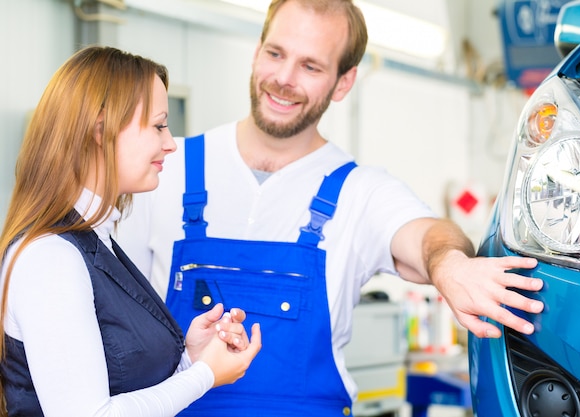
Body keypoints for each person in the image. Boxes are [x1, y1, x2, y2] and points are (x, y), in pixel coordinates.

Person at [117, 0, 544, 416]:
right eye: (276, 53)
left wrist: (449, 264)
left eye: (311, 66)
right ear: (257, 52)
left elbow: (428, 235)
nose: (284, 78)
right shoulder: (164, 171)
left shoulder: (361, 193)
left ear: (343, 82)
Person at [0, 45, 262, 417]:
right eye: (158, 125)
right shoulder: (50, 257)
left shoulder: (96, 241)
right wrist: (205, 374)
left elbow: (120, 385)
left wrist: (192, 357)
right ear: (100, 128)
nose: (170, 143)